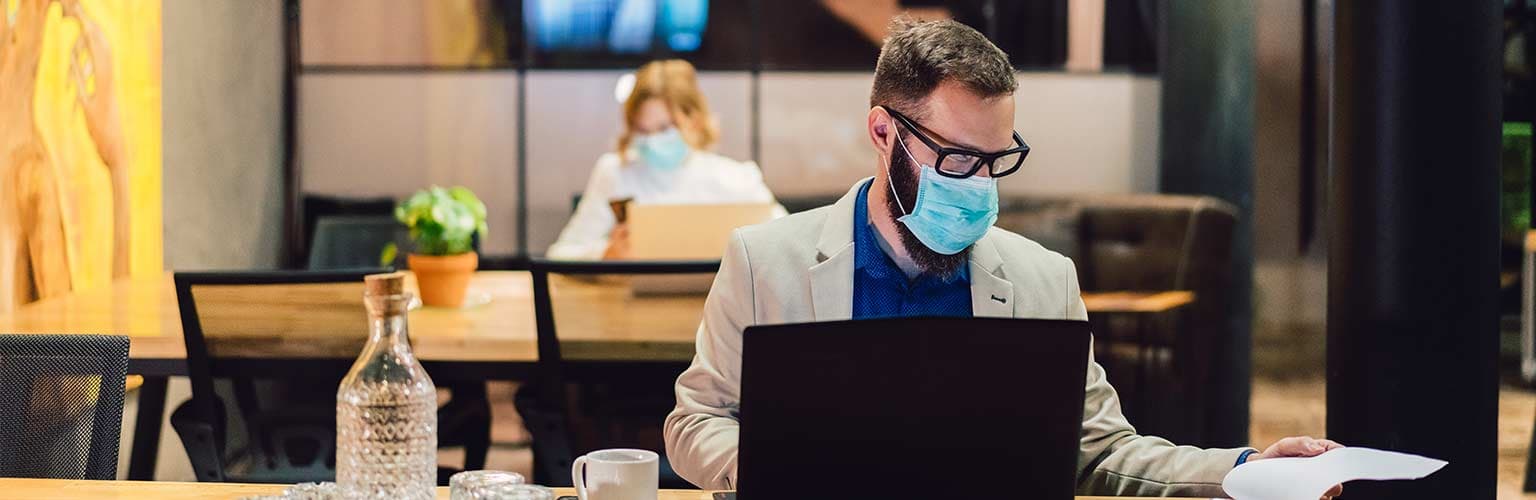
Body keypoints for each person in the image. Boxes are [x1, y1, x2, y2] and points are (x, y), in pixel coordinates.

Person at [663, 18, 1344, 498]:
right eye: (959, 159)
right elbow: (694, 422)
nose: (980, 186)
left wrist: (1253, 469)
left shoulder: (1042, 280)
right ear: (883, 132)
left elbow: (1104, 451)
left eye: (998, 161)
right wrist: (798, 471)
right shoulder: (765, 260)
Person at [547, 59, 783, 260]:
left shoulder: (735, 179)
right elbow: (561, 254)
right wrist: (606, 254)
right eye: (642, 129)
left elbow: (786, 242)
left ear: (695, 120)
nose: (651, 141)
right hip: (630, 310)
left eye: (664, 128)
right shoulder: (616, 173)